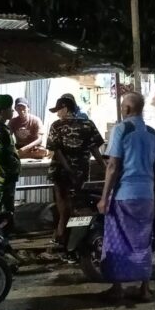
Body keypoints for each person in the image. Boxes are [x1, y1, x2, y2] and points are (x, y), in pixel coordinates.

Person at [96, 92, 155, 302]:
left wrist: (104, 197)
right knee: (143, 241)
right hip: (146, 196)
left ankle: (117, 288)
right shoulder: (154, 134)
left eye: (123, 106)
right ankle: (145, 289)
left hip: (124, 195)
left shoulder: (121, 129)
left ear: (127, 108)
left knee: (116, 241)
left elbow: (113, 166)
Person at [47, 96, 106, 247]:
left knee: (63, 207)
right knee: (78, 206)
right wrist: (104, 167)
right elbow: (94, 148)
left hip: (60, 172)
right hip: (80, 172)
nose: (58, 114)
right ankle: (75, 241)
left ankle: (62, 237)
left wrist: (68, 168)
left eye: (58, 110)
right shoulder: (88, 124)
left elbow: (56, 150)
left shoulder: (56, 126)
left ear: (65, 108)